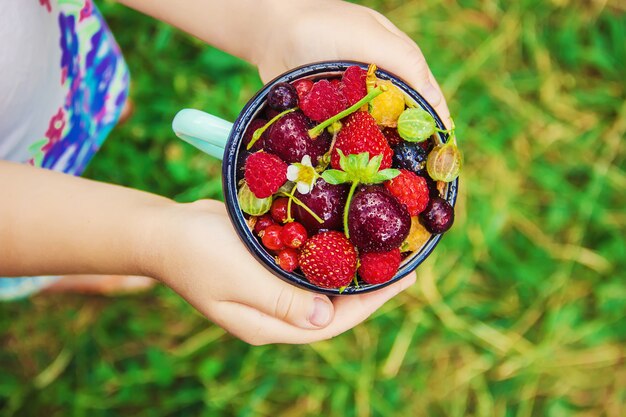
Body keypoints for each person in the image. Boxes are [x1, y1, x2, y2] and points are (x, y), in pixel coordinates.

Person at [0, 0, 451, 345]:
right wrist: (146, 239)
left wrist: (272, 24)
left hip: (56, 42)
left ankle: (98, 102)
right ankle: (57, 268)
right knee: (51, 248)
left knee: (84, 89)